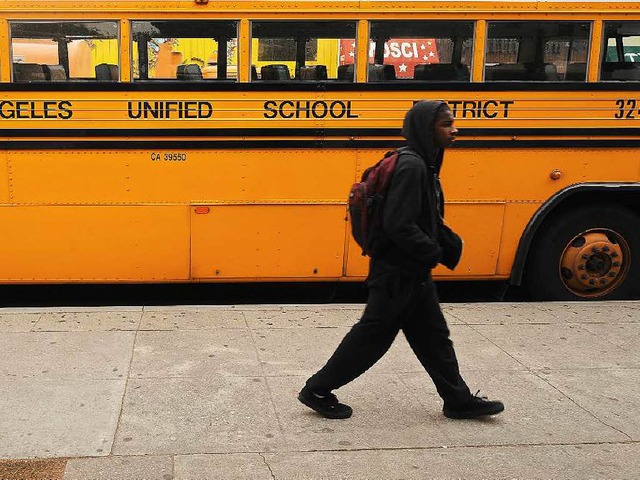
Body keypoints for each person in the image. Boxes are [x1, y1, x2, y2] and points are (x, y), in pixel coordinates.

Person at [298, 100, 504, 420]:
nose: (454, 130)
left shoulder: (420, 162)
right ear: (426, 128)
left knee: (433, 337)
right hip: (397, 272)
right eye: (446, 124)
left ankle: (457, 399)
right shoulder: (413, 166)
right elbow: (398, 224)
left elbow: (421, 218)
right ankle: (317, 389)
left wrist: (442, 243)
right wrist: (432, 251)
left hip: (409, 270)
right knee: (372, 337)